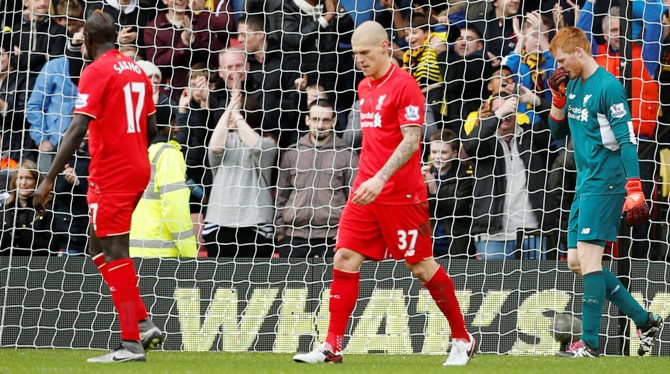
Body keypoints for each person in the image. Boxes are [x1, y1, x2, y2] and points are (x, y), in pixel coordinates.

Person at [293, 21, 475, 367]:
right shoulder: (364, 87)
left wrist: (381, 178)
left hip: (401, 195)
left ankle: (462, 337)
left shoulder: (406, 87)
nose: (359, 59)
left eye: (365, 52)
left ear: (385, 47)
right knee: (344, 258)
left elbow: (411, 139)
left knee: (421, 267)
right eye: (355, 54)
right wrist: (370, 180)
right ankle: (332, 344)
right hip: (366, 192)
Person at [34, 10, 164, 363]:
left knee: (115, 249)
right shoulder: (136, 68)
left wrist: (47, 179)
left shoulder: (96, 70)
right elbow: (152, 131)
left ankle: (131, 344)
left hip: (113, 172)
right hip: (138, 165)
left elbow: (77, 128)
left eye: (80, 40)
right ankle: (143, 322)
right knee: (98, 241)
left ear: (88, 41)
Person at [547, 26, 662, 358]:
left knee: (591, 260)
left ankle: (591, 344)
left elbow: (628, 140)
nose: (560, 67)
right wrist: (557, 98)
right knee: (575, 262)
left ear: (580, 53)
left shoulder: (609, 88)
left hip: (606, 182)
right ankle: (645, 319)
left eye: (563, 60)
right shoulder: (572, 85)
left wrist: (635, 187)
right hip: (585, 183)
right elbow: (557, 131)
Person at [462, 94, 551, 260]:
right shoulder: (485, 143)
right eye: (499, 110)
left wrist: (536, 101)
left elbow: (557, 124)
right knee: (496, 286)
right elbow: (470, 145)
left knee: (538, 286)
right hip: (492, 235)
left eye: (508, 110)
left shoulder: (531, 137)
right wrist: (498, 114)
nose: (505, 115)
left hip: (534, 232)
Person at [275, 99, 358, 259]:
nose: (320, 125)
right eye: (316, 119)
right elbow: (281, 197)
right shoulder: (293, 153)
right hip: (293, 239)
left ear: (334, 122)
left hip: (332, 239)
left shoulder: (347, 155)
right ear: (307, 120)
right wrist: (282, 235)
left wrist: (346, 234)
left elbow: (353, 200)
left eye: (326, 120)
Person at [204, 81, 277, 258]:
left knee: (255, 283)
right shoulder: (225, 140)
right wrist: (229, 108)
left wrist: (237, 116)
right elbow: (214, 147)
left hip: (256, 225)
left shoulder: (268, 142)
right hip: (219, 223)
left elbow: (257, 146)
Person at [129, 108, 198, 258]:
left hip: (131, 250)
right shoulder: (169, 154)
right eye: (173, 123)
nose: (177, 128)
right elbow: (174, 208)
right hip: (161, 253)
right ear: (160, 128)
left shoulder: (135, 153)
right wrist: (190, 254)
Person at [421, 129, 474, 258]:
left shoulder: (464, 176)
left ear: (454, 153)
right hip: (429, 246)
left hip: (456, 247)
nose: (437, 157)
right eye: (434, 152)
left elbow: (458, 207)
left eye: (443, 152)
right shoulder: (424, 174)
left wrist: (434, 190)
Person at [0, 159, 55, 255]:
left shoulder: (47, 209)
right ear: (14, 181)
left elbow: (52, 247)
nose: (23, 183)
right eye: (20, 178)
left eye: (28, 178)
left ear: (37, 181)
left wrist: (23, 234)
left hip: (37, 265)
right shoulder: (5, 209)